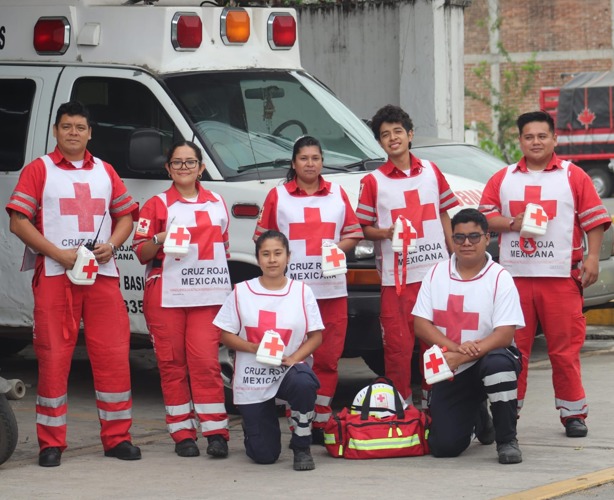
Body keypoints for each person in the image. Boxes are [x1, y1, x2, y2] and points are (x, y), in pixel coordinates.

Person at [6, 101, 140, 467]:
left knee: (113, 356)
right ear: (55, 131)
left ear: (90, 132)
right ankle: (51, 444)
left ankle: (118, 438)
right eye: (66, 127)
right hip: (54, 274)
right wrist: (58, 254)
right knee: (52, 356)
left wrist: (112, 245)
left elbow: (126, 215)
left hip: (102, 276)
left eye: (80, 127)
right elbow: (18, 221)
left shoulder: (105, 171)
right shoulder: (40, 170)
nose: (74, 133)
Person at [479, 110, 611, 438]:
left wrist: (592, 258)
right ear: (520, 141)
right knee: (513, 351)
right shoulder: (504, 178)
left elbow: (594, 220)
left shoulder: (573, 175)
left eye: (542, 136)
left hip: (561, 277)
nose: (535, 142)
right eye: (528, 137)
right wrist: (513, 222)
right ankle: (509, 415)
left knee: (564, 350)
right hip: (514, 280)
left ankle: (573, 414)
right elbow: (484, 218)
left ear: (554, 139)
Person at [253, 136, 363, 442]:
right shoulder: (278, 195)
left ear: (322, 161)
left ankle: (321, 422)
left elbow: (354, 232)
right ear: (293, 163)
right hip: (294, 294)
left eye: (316, 157)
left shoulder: (338, 193)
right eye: (304, 158)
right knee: (295, 360)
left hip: (332, 291)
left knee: (328, 358)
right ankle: (298, 420)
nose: (310, 163)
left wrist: (338, 248)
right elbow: (262, 238)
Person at [132, 140, 230, 458]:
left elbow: (223, 252)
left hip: (206, 295)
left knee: (205, 363)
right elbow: (140, 252)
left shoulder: (218, 202)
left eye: (190, 162)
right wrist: (160, 238)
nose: (184, 168)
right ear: (168, 168)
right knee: (172, 365)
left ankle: (216, 431)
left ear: (201, 167)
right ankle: (182, 432)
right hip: (165, 294)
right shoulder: (156, 205)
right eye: (178, 163)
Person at [356, 104, 459, 405]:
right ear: (379, 142)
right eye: (385, 135)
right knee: (398, 348)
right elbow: (363, 227)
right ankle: (401, 406)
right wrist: (386, 233)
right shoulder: (373, 181)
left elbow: (443, 216)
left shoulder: (431, 172)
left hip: (435, 274)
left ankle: (437, 401)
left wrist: (454, 258)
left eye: (398, 131)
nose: (393, 138)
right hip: (395, 280)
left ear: (410, 134)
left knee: (436, 345)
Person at [412, 208, 525, 464]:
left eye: (474, 236)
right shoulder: (435, 273)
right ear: (451, 240)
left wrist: (461, 356)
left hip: (487, 358)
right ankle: (478, 415)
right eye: (459, 237)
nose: (466, 243)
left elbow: (505, 334)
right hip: (451, 365)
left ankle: (507, 440)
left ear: (487, 237)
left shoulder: (500, 278)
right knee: (444, 447)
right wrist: (455, 349)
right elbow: (420, 324)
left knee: (498, 366)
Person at [213, 230, 323, 471]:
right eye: (265, 254)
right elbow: (223, 333)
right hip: (253, 375)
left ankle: (302, 444)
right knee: (264, 455)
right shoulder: (242, 291)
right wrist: (252, 347)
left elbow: (316, 336)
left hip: (287, 371)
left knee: (305, 383)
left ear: (288, 257)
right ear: (258, 258)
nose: (272, 260)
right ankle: (255, 426)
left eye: (277, 253)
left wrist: (294, 359)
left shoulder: (302, 292)